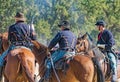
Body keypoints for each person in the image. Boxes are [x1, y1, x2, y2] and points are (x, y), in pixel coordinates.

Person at [0, 12, 36, 78]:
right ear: (23, 19)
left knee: (1, 59)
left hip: (14, 46)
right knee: (34, 59)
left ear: (16, 19)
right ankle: (33, 76)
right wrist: (33, 30)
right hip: (26, 47)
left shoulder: (11, 27)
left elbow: (9, 39)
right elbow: (33, 38)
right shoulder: (28, 27)